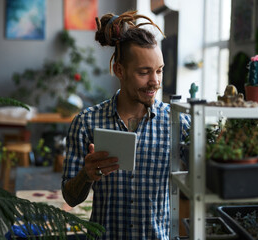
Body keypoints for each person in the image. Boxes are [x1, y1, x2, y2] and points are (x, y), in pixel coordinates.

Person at [62, 10, 190, 239]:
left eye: (159, 71)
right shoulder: (86, 123)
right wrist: (86, 175)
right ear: (119, 70)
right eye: (144, 72)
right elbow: (70, 198)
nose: (155, 81)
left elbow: (208, 176)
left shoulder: (177, 121)